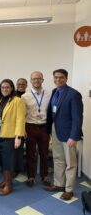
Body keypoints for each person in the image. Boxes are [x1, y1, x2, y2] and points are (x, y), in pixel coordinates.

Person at [45, 69, 83, 201]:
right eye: (56, 77)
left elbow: (77, 118)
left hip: (68, 134)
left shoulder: (74, 94)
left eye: (61, 77)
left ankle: (69, 190)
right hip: (56, 130)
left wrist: (73, 136)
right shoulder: (55, 92)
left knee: (70, 163)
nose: (58, 80)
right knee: (58, 159)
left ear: (66, 78)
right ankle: (59, 184)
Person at [0, 79, 25, 195]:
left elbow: (20, 119)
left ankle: (9, 185)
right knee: (2, 160)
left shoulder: (18, 101)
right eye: (3, 87)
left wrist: (18, 136)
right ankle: (5, 180)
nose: (5, 89)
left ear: (12, 88)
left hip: (10, 137)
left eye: (7, 87)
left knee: (8, 161)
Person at [22, 71, 51, 186]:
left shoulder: (49, 94)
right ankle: (31, 177)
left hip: (44, 127)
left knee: (44, 153)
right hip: (30, 127)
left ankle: (44, 176)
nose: (36, 81)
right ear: (30, 81)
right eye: (34, 79)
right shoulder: (25, 96)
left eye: (39, 78)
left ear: (42, 80)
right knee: (30, 153)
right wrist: (23, 130)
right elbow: (22, 114)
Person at [13, 77, 28, 177]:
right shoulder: (13, 96)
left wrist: (25, 128)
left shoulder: (29, 96)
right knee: (16, 149)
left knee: (27, 149)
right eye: (19, 84)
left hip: (28, 125)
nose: (21, 86)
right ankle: (16, 169)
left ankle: (27, 168)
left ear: (26, 86)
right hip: (16, 126)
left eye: (23, 84)